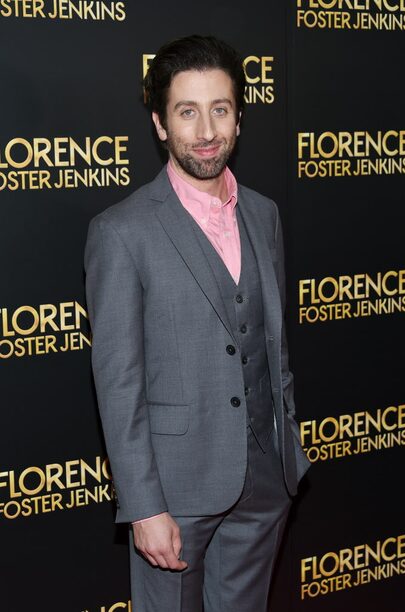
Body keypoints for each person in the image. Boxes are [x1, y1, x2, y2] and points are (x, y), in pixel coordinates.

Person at [84, 34, 310, 612]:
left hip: (266, 477)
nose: (206, 130)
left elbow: (272, 341)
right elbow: (118, 382)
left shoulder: (265, 214)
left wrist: (287, 441)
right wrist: (143, 504)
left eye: (220, 109)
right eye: (188, 112)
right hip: (174, 491)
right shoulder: (122, 232)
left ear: (238, 117)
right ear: (161, 124)